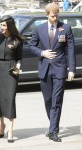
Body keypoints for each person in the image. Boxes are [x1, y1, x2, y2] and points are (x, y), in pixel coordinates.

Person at [29, 3, 75, 142]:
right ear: (47, 14)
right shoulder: (39, 29)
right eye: (52, 16)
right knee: (48, 100)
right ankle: (52, 124)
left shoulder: (65, 28)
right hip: (45, 69)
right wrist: (42, 52)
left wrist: (71, 69)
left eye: (57, 15)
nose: (55, 18)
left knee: (57, 101)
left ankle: (53, 130)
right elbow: (31, 46)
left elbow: (71, 49)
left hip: (60, 69)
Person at [0, 15, 24, 143]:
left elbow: (19, 57)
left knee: (10, 98)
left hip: (11, 70)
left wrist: (18, 66)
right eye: (0, 25)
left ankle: (11, 129)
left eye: (3, 25)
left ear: (9, 26)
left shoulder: (17, 39)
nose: (1, 27)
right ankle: (2, 124)